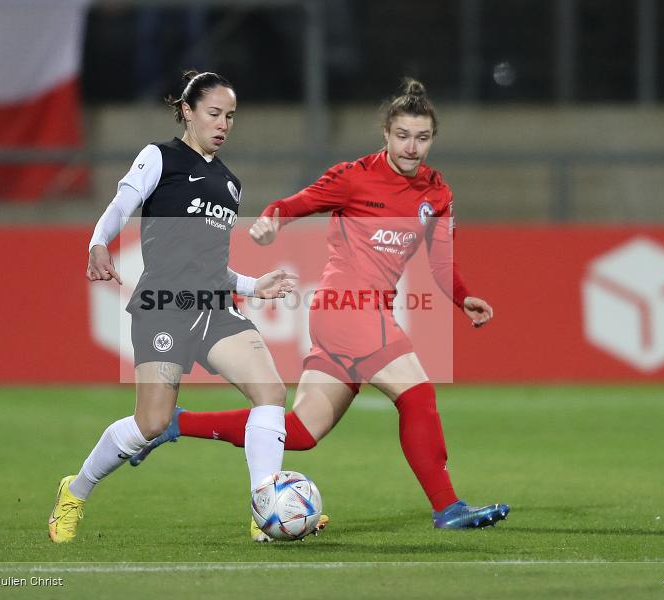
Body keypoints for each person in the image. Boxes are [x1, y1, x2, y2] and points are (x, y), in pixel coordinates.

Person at [130, 78, 510, 541]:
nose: (412, 147)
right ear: (387, 134)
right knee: (418, 394)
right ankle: (447, 507)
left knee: (302, 430)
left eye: (423, 137)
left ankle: (174, 424)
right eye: (403, 135)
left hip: (368, 314)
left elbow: (441, 259)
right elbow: (294, 203)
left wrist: (462, 295)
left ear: (432, 139)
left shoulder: (437, 193)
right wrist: (271, 223)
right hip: (346, 308)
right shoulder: (354, 176)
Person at [49, 71, 299, 543]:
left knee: (271, 394)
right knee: (152, 422)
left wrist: (252, 284)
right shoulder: (159, 158)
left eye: (230, 117)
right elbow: (122, 206)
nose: (223, 124)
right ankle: (76, 490)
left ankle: (264, 509)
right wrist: (98, 243)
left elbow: (210, 265)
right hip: (165, 305)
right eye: (214, 113)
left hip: (214, 308)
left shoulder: (230, 184)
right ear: (187, 110)